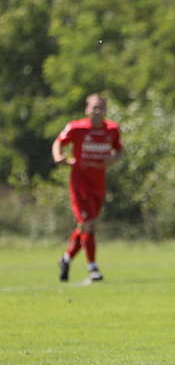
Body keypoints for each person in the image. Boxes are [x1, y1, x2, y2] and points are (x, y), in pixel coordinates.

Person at [52, 94, 124, 282]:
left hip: (98, 185)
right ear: (87, 109)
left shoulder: (112, 129)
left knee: (85, 225)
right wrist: (58, 157)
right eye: (94, 107)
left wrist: (113, 159)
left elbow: (119, 150)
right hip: (80, 183)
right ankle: (93, 268)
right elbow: (58, 141)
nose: (97, 111)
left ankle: (66, 260)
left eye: (101, 107)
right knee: (89, 223)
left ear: (105, 110)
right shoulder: (77, 127)